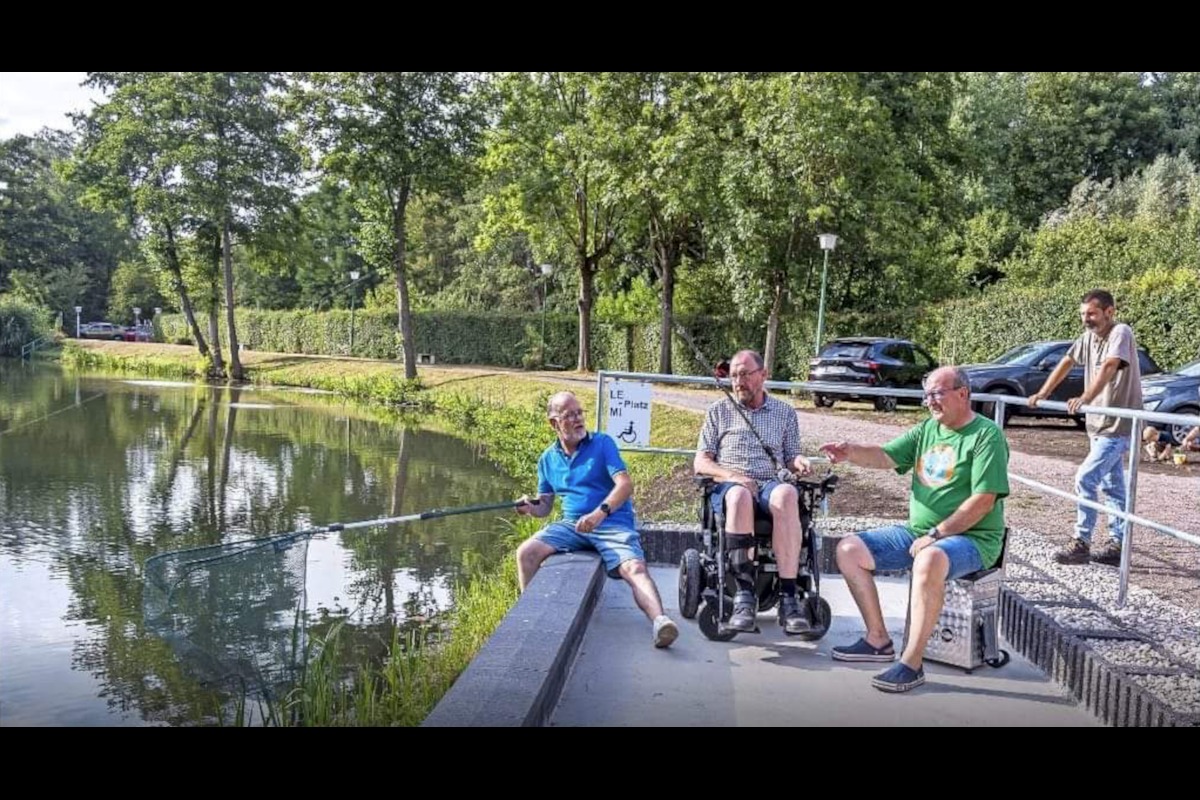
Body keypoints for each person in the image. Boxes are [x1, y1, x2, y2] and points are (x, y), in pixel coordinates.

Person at [819, 366, 1009, 693]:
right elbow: (886, 456)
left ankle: (911, 663)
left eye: (937, 393)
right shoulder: (927, 430)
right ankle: (878, 640)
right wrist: (850, 452)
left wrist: (936, 535)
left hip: (972, 540)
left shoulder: (986, 435)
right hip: (919, 532)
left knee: (929, 559)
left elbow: (983, 501)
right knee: (849, 550)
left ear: (963, 394)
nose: (930, 401)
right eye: (927, 395)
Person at [515, 391, 679, 649]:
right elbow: (544, 506)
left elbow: (625, 485)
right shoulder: (546, 459)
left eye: (580, 413)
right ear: (554, 423)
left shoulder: (603, 443)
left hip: (611, 522)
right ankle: (529, 618)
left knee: (634, 569)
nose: (579, 419)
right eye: (570, 415)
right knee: (526, 552)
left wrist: (600, 513)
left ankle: (660, 621)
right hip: (572, 525)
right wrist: (529, 507)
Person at [693, 349, 813, 635]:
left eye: (745, 374)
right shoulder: (719, 411)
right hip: (730, 486)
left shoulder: (784, 413)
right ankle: (744, 596)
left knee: (787, 495)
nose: (738, 382)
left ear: (763, 375)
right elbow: (701, 462)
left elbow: (791, 457)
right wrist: (734, 476)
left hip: (769, 484)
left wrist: (801, 462)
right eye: (734, 376)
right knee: (739, 495)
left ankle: (788, 598)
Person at [1029, 289, 1142, 567]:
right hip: (1098, 426)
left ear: (1109, 312)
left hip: (1117, 425)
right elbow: (1067, 361)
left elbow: (1110, 365)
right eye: (1082, 314)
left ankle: (1081, 542)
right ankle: (1118, 544)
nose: (1086, 319)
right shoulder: (1088, 337)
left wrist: (1085, 398)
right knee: (1113, 487)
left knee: (1085, 478)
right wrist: (1043, 393)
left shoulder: (1121, 332)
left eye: (1091, 313)